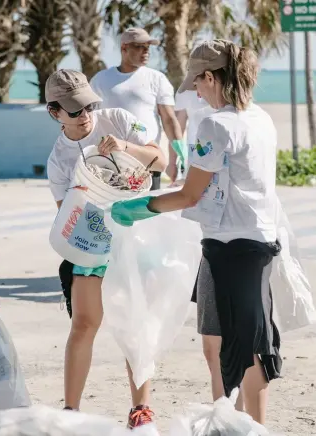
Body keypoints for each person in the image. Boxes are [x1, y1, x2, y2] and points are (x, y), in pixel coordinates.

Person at [110, 40, 281, 425]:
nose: (196, 92)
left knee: (252, 348)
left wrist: (141, 207)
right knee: (215, 341)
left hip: (240, 247)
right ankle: (227, 421)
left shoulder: (216, 125)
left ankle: (254, 428)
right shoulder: (259, 118)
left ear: (210, 76)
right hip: (227, 244)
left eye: (198, 83)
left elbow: (190, 193)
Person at [46, 69, 166, 427]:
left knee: (134, 322)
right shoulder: (58, 160)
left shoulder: (117, 119)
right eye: (74, 111)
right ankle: (70, 411)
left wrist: (125, 147)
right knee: (84, 324)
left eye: (87, 106)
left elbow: (161, 162)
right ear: (55, 113)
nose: (84, 115)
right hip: (94, 241)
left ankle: (140, 408)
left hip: (135, 235)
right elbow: (66, 217)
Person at [90, 28, 184, 189]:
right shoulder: (100, 80)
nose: (146, 51)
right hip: (110, 163)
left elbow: (169, 120)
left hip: (147, 162)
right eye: (140, 46)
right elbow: (90, 120)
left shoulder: (157, 79)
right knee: (110, 212)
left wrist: (178, 157)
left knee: (148, 212)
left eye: (148, 47)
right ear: (124, 48)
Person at [174, 90, 215, 175]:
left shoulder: (187, 93)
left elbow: (177, 126)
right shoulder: (188, 94)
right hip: (196, 151)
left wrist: (172, 161)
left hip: (202, 152)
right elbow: (178, 127)